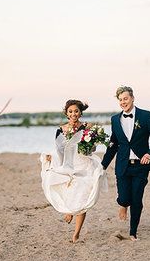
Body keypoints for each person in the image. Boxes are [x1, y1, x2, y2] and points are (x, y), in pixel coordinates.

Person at [101, 86, 150, 240]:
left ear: (132, 98)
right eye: (120, 100)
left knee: (137, 199)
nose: (123, 102)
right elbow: (114, 144)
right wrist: (103, 165)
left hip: (140, 166)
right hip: (122, 165)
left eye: (125, 99)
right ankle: (123, 205)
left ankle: (133, 232)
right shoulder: (115, 120)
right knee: (124, 198)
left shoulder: (145, 116)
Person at [40, 100, 108, 243]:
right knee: (67, 192)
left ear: (80, 112)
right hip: (69, 163)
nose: (73, 114)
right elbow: (59, 150)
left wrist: (89, 145)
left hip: (84, 164)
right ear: (66, 113)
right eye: (70, 111)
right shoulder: (61, 129)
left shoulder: (88, 127)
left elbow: (93, 148)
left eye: (76, 111)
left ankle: (76, 234)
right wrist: (52, 159)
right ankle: (70, 210)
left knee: (82, 196)